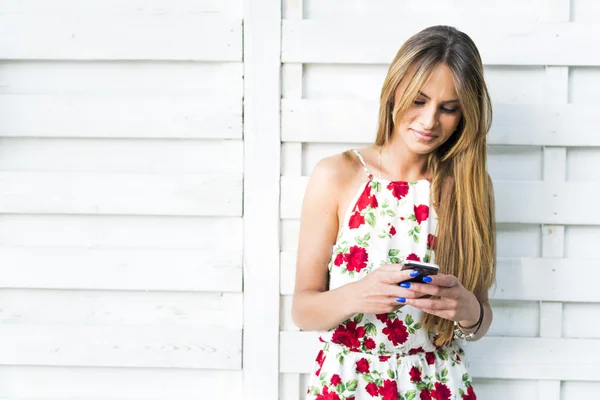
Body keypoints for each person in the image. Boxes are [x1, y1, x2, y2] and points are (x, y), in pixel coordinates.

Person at [292, 25, 496, 400]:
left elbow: (478, 317)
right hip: (349, 380)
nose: (430, 121)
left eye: (448, 108)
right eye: (419, 100)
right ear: (394, 91)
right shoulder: (338, 175)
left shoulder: (468, 186)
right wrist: (357, 296)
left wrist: (470, 311)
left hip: (438, 381)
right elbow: (303, 311)